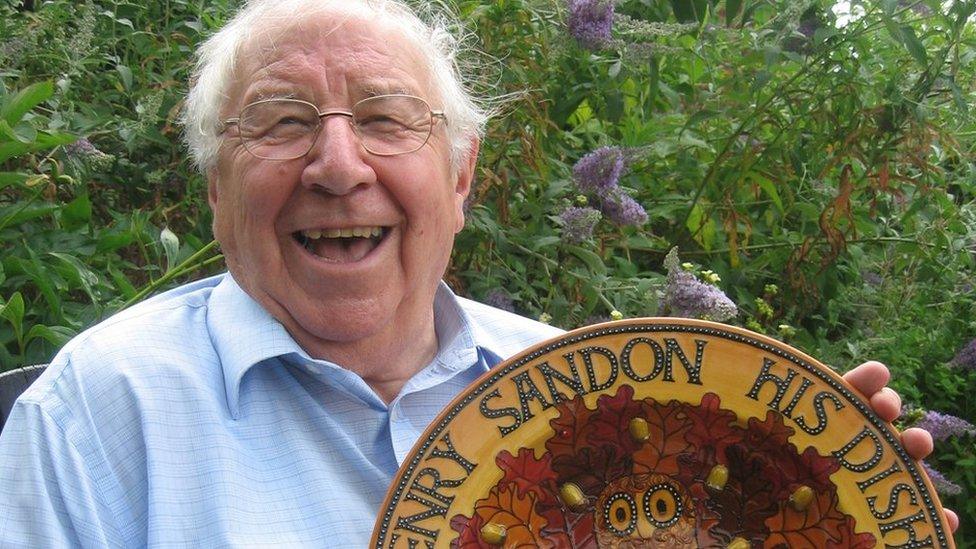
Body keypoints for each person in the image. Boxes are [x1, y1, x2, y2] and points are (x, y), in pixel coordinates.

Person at [0, 0, 956, 546]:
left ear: (460, 176)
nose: (338, 166)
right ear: (216, 186)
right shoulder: (100, 412)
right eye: (284, 122)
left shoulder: (606, 383)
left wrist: (836, 505)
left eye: (384, 119)